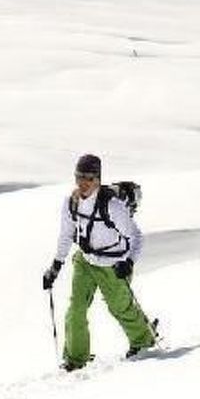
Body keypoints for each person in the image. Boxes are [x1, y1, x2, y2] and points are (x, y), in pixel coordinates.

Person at [41, 153, 156, 369]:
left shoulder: (112, 206)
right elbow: (66, 235)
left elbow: (136, 237)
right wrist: (55, 267)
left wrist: (129, 262)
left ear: (98, 179)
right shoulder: (71, 203)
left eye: (89, 178)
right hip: (85, 261)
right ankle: (76, 359)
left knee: (120, 307)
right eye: (79, 177)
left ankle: (143, 341)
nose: (83, 183)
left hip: (113, 264)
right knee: (75, 309)